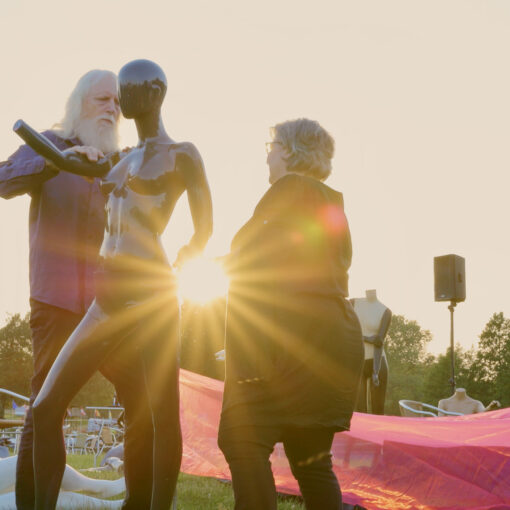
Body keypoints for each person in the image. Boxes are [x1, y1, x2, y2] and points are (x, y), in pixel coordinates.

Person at [16, 58, 212, 510]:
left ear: (156, 94)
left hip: (151, 293)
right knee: (45, 407)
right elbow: (47, 168)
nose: (121, 101)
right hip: (103, 297)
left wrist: (189, 253)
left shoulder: (182, 154)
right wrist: (62, 159)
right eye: (113, 93)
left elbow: (204, 227)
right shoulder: (117, 160)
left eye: (127, 92)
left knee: (159, 414)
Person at [0, 69, 156, 510]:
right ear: (79, 103)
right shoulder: (49, 143)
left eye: (117, 103)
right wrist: (56, 160)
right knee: (45, 404)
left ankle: (136, 503)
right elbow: (4, 180)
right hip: (56, 301)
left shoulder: (122, 160)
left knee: (144, 401)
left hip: (111, 306)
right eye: (103, 99)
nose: (112, 109)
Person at [218, 118, 363, 510]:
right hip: (331, 342)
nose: (267, 157)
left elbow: (255, 257)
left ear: (288, 151)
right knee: (310, 460)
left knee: (241, 437)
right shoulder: (330, 203)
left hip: (289, 342)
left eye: (271, 148)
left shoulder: (290, 188)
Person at [351, 289, 391, 415]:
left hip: (378, 363)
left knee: (378, 412)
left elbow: (379, 341)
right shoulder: (353, 303)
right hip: (359, 362)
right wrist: (368, 338)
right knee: (360, 411)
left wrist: (376, 371)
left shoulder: (385, 311)